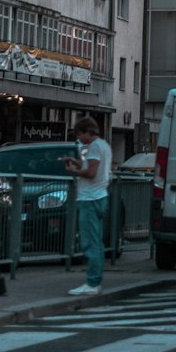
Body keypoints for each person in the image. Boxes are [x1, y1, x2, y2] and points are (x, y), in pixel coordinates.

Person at [65, 115, 112, 296]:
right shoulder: (104, 146)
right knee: (96, 241)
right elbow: (96, 168)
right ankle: (94, 280)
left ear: (86, 132)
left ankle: (92, 283)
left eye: (79, 134)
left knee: (89, 242)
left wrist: (74, 171)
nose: (79, 139)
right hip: (100, 196)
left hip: (90, 198)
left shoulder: (93, 147)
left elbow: (91, 173)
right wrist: (79, 163)